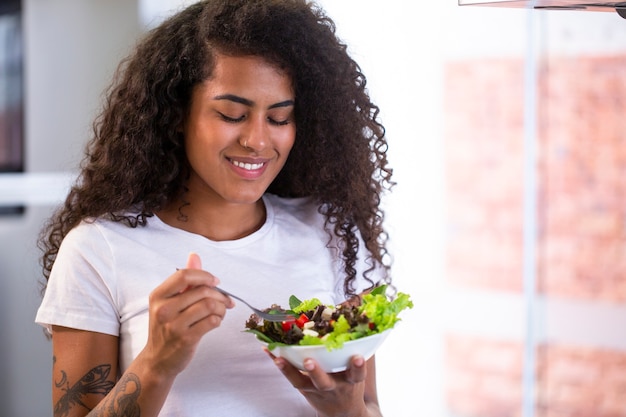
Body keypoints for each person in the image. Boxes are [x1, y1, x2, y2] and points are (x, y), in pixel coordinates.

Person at [35, 0, 394, 416]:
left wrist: (345, 408)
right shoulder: (98, 249)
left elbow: (370, 407)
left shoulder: (332, 233)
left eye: (279, 119)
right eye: (232, 114)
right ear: (176, 115)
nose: (258, 141)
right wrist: (157, 362)